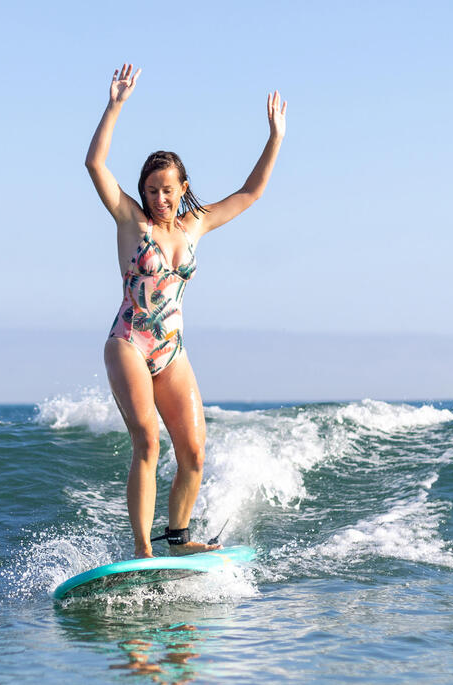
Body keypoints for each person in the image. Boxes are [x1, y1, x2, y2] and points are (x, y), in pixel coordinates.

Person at [85, 63, 286, 559]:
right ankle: (141, 551)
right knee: (148, 442)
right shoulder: (131, 220)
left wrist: (275, 137)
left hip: (171, 350)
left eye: (167, 190)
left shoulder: (195, 225)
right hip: (129, 341)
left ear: (182, 187)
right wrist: (115, 106)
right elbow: (95, 165)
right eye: (151, 190)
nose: (159, 198)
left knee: (194, 453)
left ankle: (176, 540)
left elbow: (251, 192)